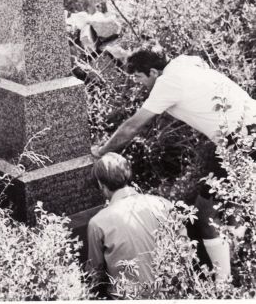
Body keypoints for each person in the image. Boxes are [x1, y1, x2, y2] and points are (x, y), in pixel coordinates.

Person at [91, 48, 256, 282]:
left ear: (153, 71)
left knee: (207, 211)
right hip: (246, 129)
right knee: (234, 200)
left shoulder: (167, 82)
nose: (139, 85)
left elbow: (132, 126)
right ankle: (239, 262)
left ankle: (224, 283)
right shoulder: (186, 63)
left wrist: (102, 151)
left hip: (240, 138)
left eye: (139, 78)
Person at [87, 152, 172, 297]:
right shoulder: (163, 204)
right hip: (171, 293)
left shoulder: (98, 223)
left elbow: (95, 272)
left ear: (101, 184)